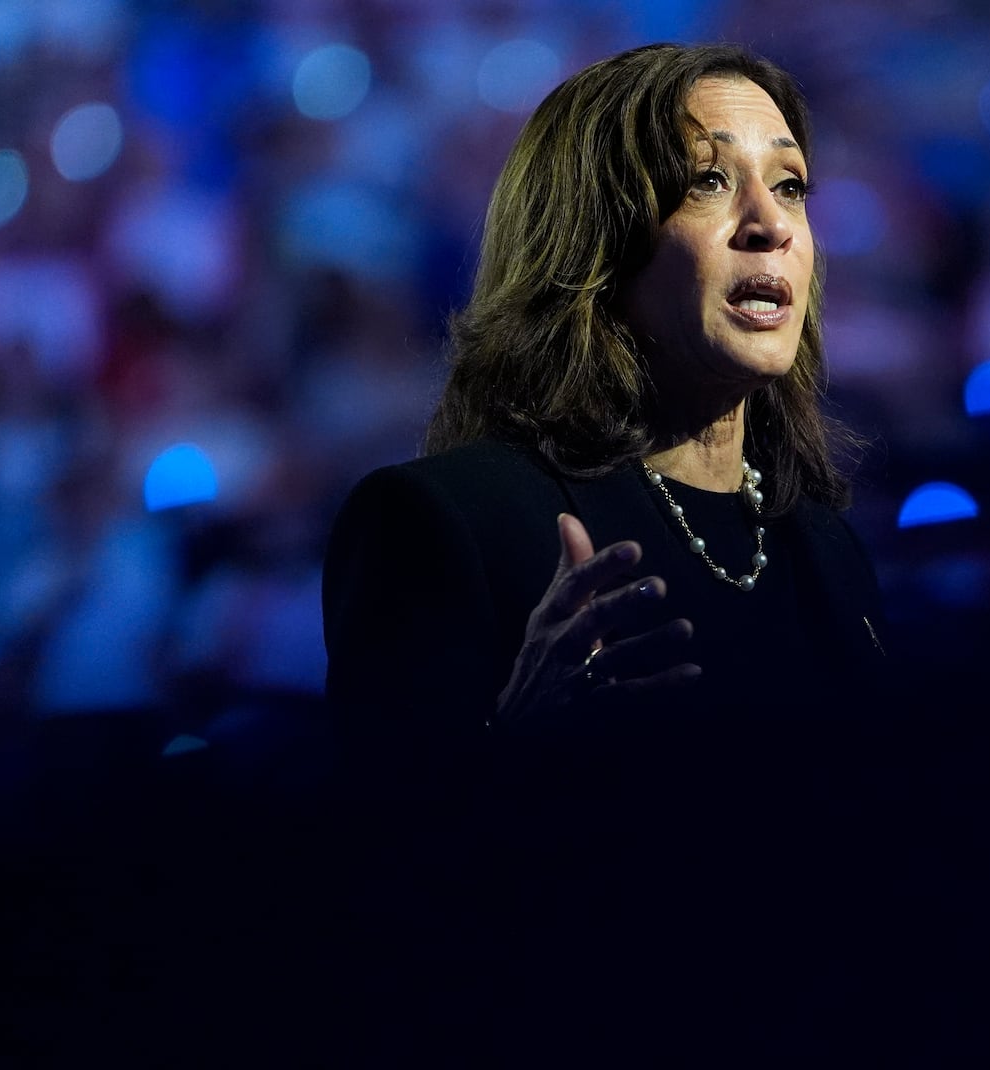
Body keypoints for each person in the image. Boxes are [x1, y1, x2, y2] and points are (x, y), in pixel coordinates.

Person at [320, 43, 909, 1061]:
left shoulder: (821, 543)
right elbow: (370, 932)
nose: (769, 225)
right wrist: (516, 749)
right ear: (594, 239)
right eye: (708, 182)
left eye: (790, 184)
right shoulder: (444, 521)